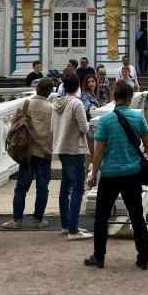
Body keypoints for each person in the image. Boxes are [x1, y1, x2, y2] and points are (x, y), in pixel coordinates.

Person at [84, 79, 148, 270]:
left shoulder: (105, 121)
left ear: (114, 97)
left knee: (101, 218)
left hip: (110, 175)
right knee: (137, 217)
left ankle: (99, 257)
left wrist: (93, 173)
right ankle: (143, 258)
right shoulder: (138, 118)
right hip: (132, 174)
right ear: (129, 98)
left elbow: (99, 150)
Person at [2, 77, 54, 230]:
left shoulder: (25, 104)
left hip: (26, 152)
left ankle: (16, 219)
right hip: (44, 152)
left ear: (37, 88)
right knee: (42, 188)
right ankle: (38, 220)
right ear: (50, 91)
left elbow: (15, 124)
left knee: (21, 187)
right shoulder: (52, 108)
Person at [52, 72, 92, 240]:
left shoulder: (56, 103)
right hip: (75, 149)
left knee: (65, 188)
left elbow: (53, 126)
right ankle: (73, 230)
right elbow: (84, 128)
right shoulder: (76, 103)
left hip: (61, 148)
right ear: (78, 87)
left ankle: (66, 225)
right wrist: (89, 123)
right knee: (77, 189)